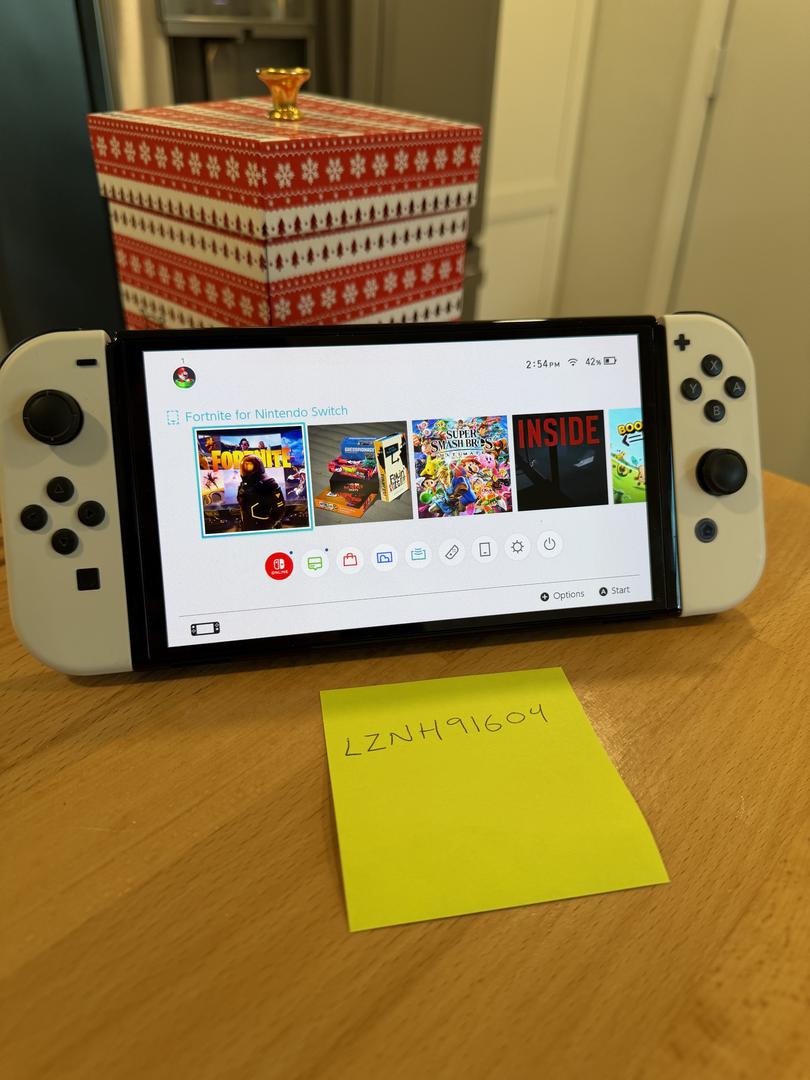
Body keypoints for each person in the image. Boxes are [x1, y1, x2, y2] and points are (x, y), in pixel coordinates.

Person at [237, 455, 285, 530]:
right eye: (245, 466)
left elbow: (280, 509)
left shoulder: (269, 484)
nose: (246, 469)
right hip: (247, 526)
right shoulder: (243, 485)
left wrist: (271, 523)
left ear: (258, 467)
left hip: (264, 527)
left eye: (249, 466)